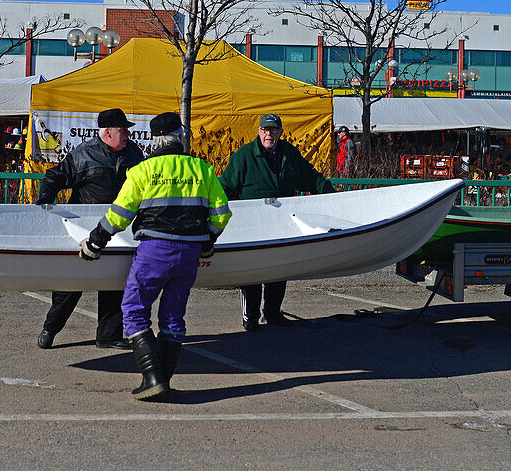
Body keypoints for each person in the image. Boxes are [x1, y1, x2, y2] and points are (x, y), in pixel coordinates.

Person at [77, 111, 231, 401]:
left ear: (154, 139)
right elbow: (222, 214)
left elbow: (119, 215)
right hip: (189, 253)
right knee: (173, 317)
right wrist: (208, 240)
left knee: (134, 311)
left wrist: (95, 242)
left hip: (154, 251)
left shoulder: (142, 171)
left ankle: (152, 377)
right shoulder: (202, 169)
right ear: (180, 137)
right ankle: (164, 380)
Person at [35, 108, 144, 351]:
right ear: (107, 132)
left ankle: (109, 336)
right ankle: (50, 328)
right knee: (71, 286)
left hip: (119, 231)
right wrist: (46, 199)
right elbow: (54, 177)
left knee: (115, 284)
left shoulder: (135, 154)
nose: (127, 133)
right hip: (83, 232)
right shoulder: (84, 155)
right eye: (122, 129)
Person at [220, 113, 334, 331]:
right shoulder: (243, 156)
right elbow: (226, 188)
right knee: (252, 272)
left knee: (278, 269)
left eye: (273, 130)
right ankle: (250, 318)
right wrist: (237, 216)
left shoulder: (289, 154)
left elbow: (310, 178)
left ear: (281, 132)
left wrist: (331, 194)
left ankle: (272, 314)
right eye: (265, 130)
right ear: (259, 132)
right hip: (252, 225)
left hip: (282, 222)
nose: (268, 134)